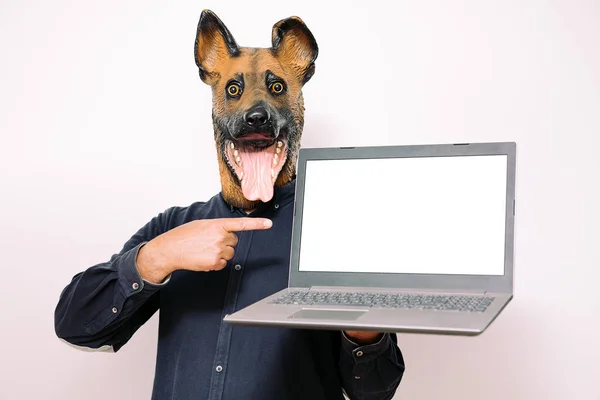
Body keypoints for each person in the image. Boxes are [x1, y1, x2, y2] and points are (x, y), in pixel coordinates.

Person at [54, 9, 406, 400]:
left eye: (275, 89)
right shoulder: (173, 227)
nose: (256, 112)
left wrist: (363, 329)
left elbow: (373, 392)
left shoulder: (334, 232)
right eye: (235, 91)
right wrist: (156, 257)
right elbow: (77, 325)